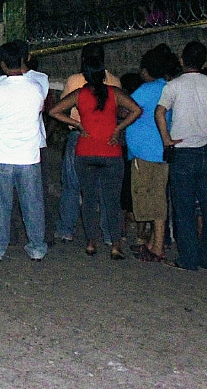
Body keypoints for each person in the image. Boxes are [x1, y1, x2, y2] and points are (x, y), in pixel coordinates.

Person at [155, 41, 207, 270]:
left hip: (183, 152)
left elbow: (160, 111)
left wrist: (166, 140)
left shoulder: (174, 85)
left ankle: (188, 258)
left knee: (183, 209)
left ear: (182, 61)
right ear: (204, 63)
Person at [48, 55, 141, 260]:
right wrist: (118, 128)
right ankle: (115, 245)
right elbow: (136, 110)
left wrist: (78, 125)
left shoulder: (80, 94)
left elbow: (54, 111)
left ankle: (91, 242)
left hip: (85, 150)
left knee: (88, 198)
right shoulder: (114, 92)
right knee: (112, 200)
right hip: (110, 150)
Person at [0, 41, 49, 261]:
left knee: (1, 205)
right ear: (24, 60)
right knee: (33, 204)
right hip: (29, 154)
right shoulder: (36, 87)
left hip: (3, 154)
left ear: (2, 64)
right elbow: (38, 111)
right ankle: (37, 247)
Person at [54, 43, 122, 244]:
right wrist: (117, 129)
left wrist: (76, 123)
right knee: (105, 188)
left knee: (72, 185)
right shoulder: (114, 81)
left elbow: (59, 108)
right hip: (108, 138)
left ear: (83, 60)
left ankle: (67, 228)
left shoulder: (75, 81)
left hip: (80, 135)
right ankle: (109, 235)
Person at [125, 48, 172, 262]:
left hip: (145, 152)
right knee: (158, 197)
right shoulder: (168, 87)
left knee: (147, 199)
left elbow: (127, 109)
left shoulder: (146, 90)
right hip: (162, 150)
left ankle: (156, 245)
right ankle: (156, 242)